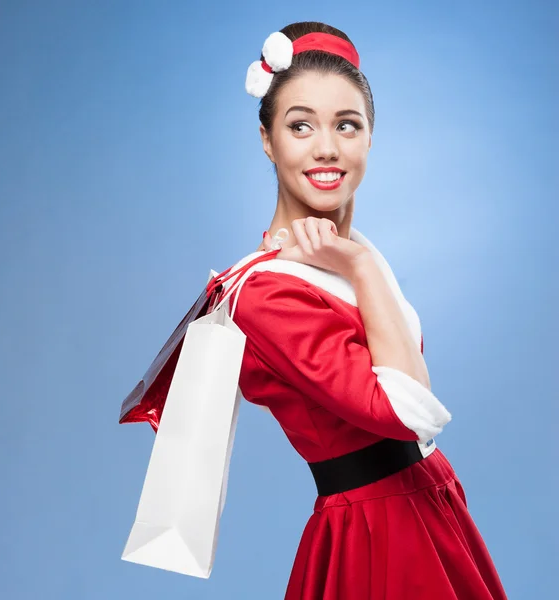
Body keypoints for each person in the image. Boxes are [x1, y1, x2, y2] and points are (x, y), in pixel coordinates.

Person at [218, 21, 508, 600]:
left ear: (370, 138)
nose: (327, 147)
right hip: (374, 532)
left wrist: (355, 262)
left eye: (346, 125)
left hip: (429, 504)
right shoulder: (267, 292)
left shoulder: (349, 252)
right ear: (267, 139)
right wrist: (363, 269)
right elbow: (405, 413)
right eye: (300, 125)